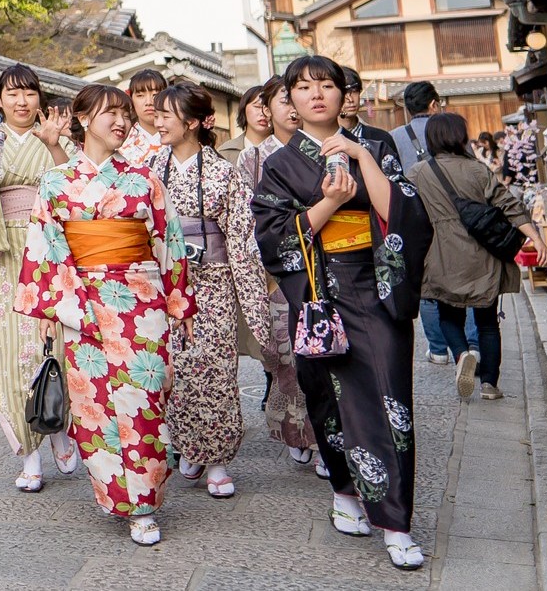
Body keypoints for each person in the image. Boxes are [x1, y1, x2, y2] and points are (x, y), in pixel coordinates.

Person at [253, 54, 433, 571]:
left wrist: (362, 157)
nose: (316, 94)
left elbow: (404, 214)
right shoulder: (280, 165)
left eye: (326, 85)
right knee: (325, 397)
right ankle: (344, 492)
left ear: (342, 93)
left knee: (388, 392)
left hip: (373, 286)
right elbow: (274, 239)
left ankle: (396, 522)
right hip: (316, 293)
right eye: (303, 87)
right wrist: (329, 204)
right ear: (289, 99)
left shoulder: (374, 145)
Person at [15, 83, 191, 548]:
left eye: (124, 115)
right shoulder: (56, 182)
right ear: (82, 117)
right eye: (109, 113)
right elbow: (48, 246)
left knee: (145, 401)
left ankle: (146, 502)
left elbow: (168, 243)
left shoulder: (144, 180)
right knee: (94, 406)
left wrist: (178, 302)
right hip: (83, 306)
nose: (121, 122)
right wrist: (56, 307)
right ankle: (119, 497)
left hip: (141, 304)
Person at [0, 64, 78, 487]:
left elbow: (74, 185)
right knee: (11, 354)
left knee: (57, 345)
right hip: (4, 252)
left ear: (39, 98)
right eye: (12, 94)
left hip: (50, 248)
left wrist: (53, 145)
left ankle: (59, 424)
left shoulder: (55, 138)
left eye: (29, 93)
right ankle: (29, 455)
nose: (21, 102)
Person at [155, 82, 261, 498]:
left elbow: (240, 238)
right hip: (163, 283)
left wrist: (252, 299)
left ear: (195, 122)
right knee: (172, 369)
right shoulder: (148, 168)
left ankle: (216, 458)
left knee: (214, 367)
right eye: (158, 113)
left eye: (168, 114)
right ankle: (187, 446)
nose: (158, 119)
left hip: (213, 281)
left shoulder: (223, 172)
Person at [409, 113, 536, 401]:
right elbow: (509, 205)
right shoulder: (478, 170)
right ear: (460, 137)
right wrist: (537, 238)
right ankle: (490, 384)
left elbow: (404, 214)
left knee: (448, 316)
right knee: (488, 322)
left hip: (442, 257)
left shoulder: (417, 173)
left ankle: (462, 353)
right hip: (483, 257)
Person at [237, 77, 316, 467]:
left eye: (293, 99)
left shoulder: (321, 148)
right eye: (281, 100)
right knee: (286, 358)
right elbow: (247, 221)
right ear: (267, 110)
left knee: (322, 354)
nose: (290, 107)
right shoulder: (253, 158)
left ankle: (324, 439)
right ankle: (296, 430)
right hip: (276, 273)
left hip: (321, 266)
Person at [388, 82, 465, 366]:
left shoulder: (394, 137)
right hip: (454, 214)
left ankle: (437, 349)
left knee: (427, 282)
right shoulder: (451, 130)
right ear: (434, 104)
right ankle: (468, 346)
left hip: (415, 215)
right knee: (460, 276)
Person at [120, 67, 170, 172]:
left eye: (155, 95)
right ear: (131, 99)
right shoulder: (121, 141)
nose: (149, 102)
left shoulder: (178, 138)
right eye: (140, 95)